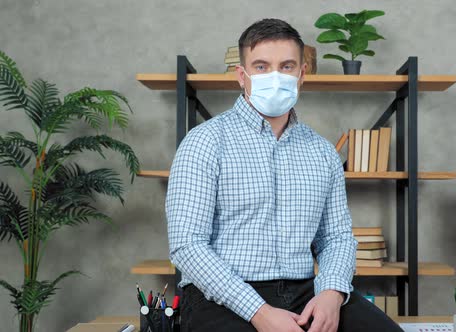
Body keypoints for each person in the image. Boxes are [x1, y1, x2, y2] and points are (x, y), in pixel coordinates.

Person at [165, 18, 404, 332]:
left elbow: (337, 238)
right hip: (221, 295)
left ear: (302, 75)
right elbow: (188, 244)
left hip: (307, 291)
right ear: (242, 75)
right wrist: (259, 312)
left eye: (287, 66)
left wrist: (331, 293)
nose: (275, 76)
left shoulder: (322, 152)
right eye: (262, 66)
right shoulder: (204, 142)